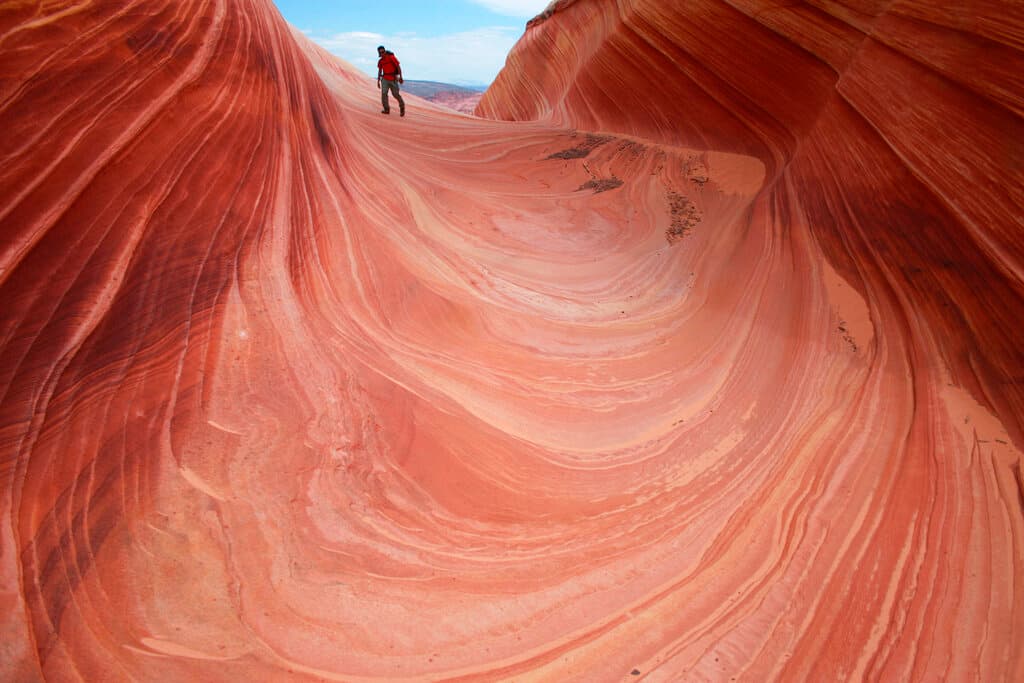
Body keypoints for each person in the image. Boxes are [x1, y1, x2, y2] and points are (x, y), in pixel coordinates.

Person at [376, 45, 405, 116]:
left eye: (383, 52)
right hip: (385, 79)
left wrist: (400, 77)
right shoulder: (381, 61)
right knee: (384, 94)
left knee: (395, 94)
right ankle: (386, 109)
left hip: (393, 78)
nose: (382, 53)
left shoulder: (391, 57)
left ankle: (402, 107)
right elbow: (380, 70)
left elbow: (398, 66)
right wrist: (378, 81)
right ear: (379, 53)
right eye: (380, 52)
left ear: (385, 51)